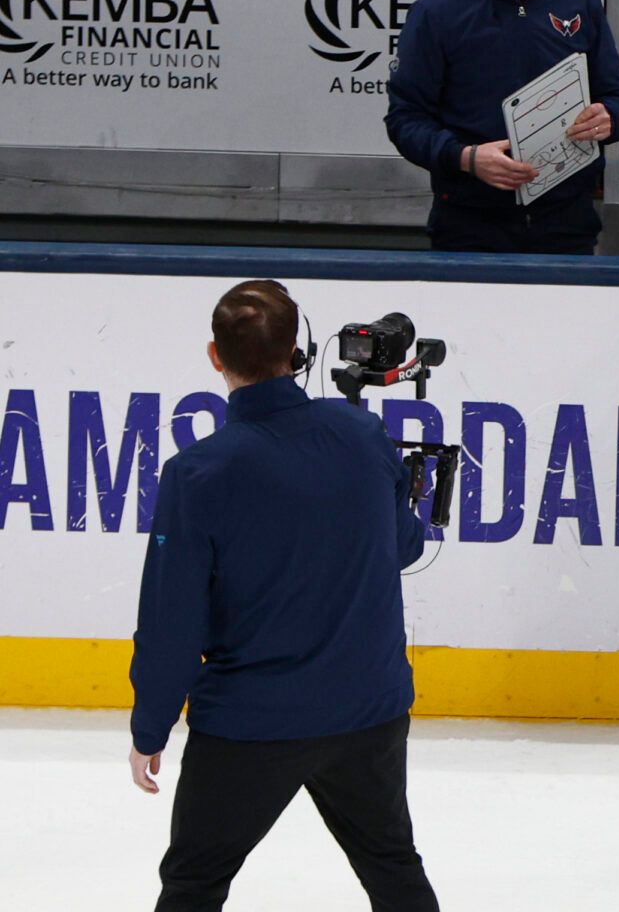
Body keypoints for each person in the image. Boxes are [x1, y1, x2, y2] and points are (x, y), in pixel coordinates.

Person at [128, 280, 436, 911]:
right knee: (392, 866)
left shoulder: (198, 473)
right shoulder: (360, 434)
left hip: (253, 724)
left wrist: (150, 725)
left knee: (194, 882)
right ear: (298, 348)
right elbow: (403, 548)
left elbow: (172, 621)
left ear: (216, 356)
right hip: (368, 712)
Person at [386, 0, 619, 253]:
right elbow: (405, 119)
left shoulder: (580, 0)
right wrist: (466, 158)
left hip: (567, 225)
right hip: (470, 227)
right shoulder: (436, 13)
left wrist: (609, 118)